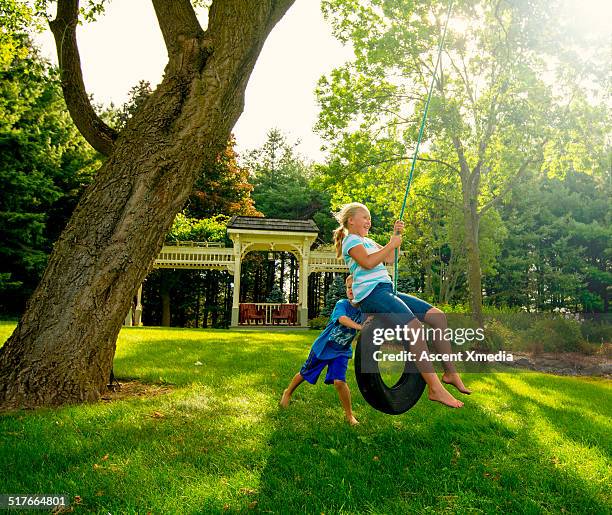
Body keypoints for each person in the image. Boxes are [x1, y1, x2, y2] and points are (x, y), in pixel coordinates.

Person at [333, 202, 471, 409]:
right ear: (351, 220)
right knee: (414, 328)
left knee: (438, 316)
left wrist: (395, 237)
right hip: (371, 294)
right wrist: (391, 244)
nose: (369, 221)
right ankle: (435, 388)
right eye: (365, 217)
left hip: (387, 291)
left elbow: (389, 258)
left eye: (370, 218)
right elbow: (368, 263)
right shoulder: (350, 241)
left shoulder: (367, 241)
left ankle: (450, 373)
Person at [280, 275, 363, 425]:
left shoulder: (364, 310)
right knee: (305, 373)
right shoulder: (342, 304)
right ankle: (288, 392)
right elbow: (342, 319)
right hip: (323, 348)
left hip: (342, 351)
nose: (350, 290)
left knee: (339, 381)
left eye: (354, 287)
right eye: (348, 287)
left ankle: (349, 415)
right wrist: (360, 327)